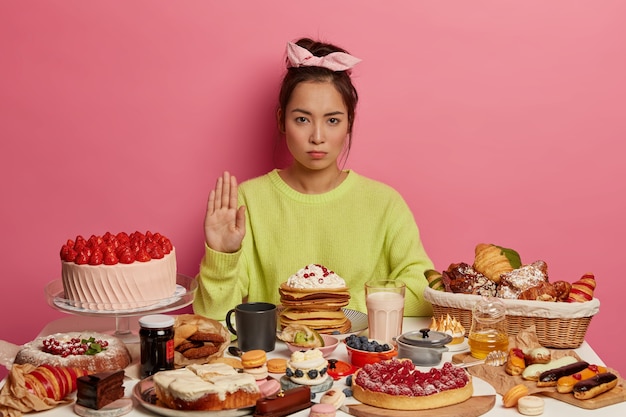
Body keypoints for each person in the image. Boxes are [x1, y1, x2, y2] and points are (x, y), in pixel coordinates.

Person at [193, 38, 434, 320]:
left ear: (349, 123)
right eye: (302, 119)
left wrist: (333, 307)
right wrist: (221, 258)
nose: (317, 137)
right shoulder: (249, 201)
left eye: (332, 120)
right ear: (282, 120)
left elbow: (425, 292)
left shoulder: (384, 203)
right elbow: (214, 316)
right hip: (277, 361)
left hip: (360, 359)